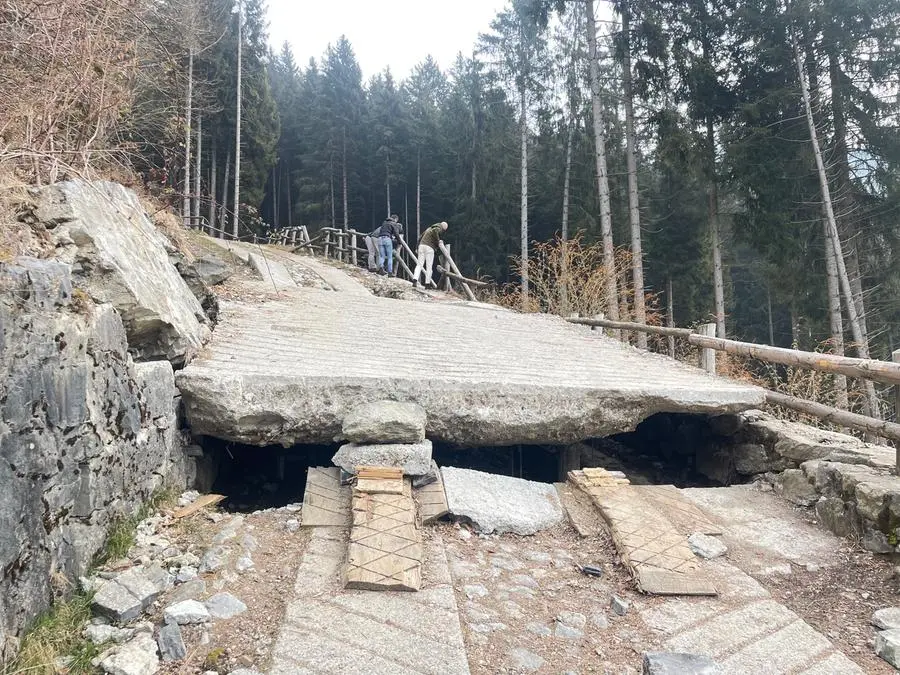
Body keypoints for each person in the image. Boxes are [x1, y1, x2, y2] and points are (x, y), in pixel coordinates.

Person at [412, 221, 448, 288]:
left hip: (421, 246)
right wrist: (438, 242)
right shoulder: (438, 228)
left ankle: (415, 280)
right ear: (443, 227)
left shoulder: (429, 228)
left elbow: (420, 237)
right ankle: (427, 284)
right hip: (429, 248)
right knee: (429, 267)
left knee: (419, 265)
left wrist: (417, 247)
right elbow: (435, 232)